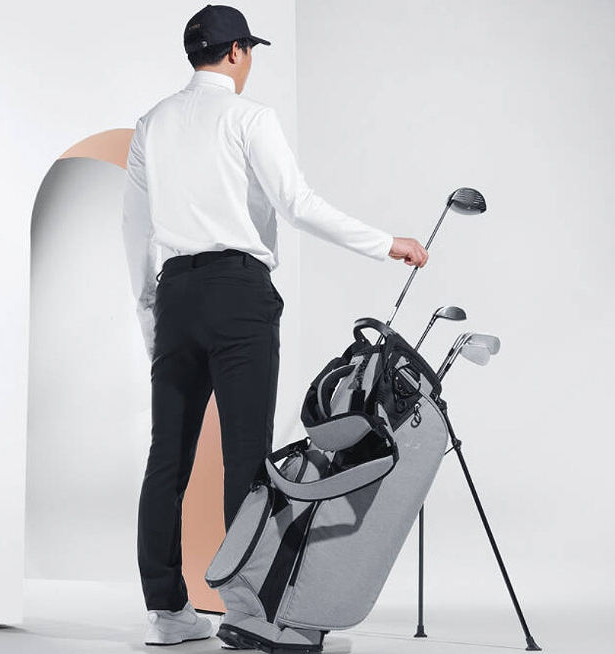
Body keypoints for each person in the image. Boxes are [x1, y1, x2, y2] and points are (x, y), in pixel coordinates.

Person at [121, 3, 429, 648]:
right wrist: (386, 243)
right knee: (246, 456)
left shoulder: (151, 123)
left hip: (174, 295)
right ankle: (246, 611)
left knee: (166, 456)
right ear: (236, 52)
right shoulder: (248, 117)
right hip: (238, 293)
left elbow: (136, 228)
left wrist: (151, 311)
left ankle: (167, 613)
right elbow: (297, 204)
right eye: (249, 52)